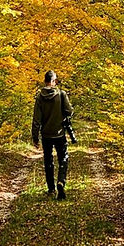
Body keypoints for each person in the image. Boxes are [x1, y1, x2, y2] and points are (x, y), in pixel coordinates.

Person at [31, 70, 76, 199]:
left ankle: (51, 189)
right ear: (52, 81)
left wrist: (35, 137)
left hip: (46, 135)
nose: (56, 82)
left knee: (48, 161)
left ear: (45, 81)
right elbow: (69, 111)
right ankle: (61, 181)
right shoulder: (61, 94)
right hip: (60, 134)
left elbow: (36, 119)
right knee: (63, 158)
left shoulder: (39, 97)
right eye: (55, 80)